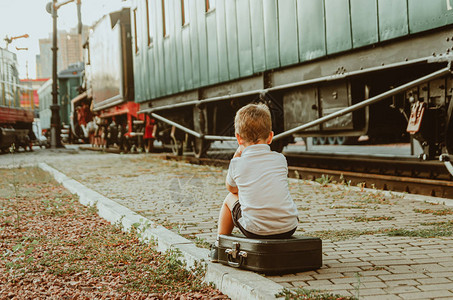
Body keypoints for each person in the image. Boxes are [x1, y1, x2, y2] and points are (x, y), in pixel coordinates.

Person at [211, 103, 299, 262]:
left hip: (255, 229)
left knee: (229, 199)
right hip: (289, 227)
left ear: (238, 138)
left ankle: (219, 245)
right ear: (270, 136)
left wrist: (237, 157)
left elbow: (231, 188)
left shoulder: (237, 163)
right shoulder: (280, 159)